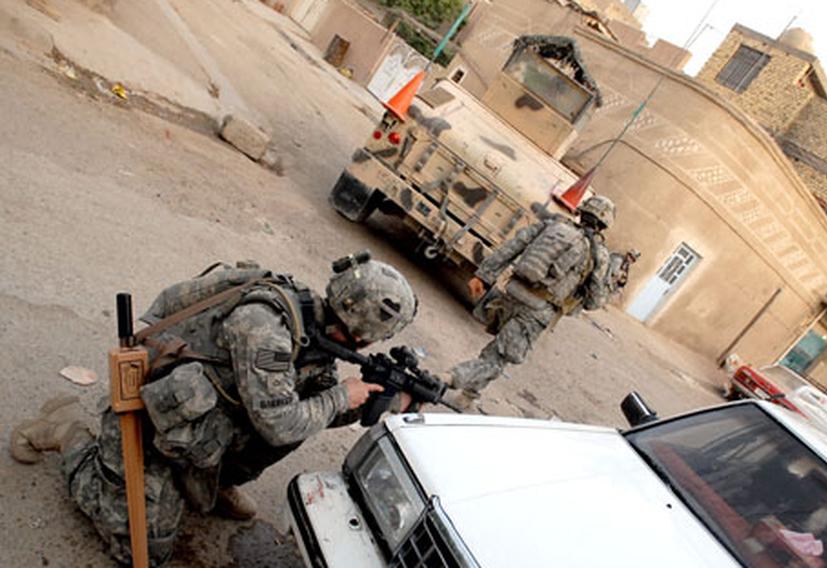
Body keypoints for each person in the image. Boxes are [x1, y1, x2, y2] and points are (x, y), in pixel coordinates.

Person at [9, 255, 418, 566]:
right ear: (362, 330)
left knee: (303, 413)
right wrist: (341, 398)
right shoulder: (266, 327)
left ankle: (212, 482)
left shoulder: (314, 331)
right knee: (141, 550)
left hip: (197, 425)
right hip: (149, 418)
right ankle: (67, 433)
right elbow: (280, 422)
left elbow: (317, 401)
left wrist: (381, 398)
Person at [444, 196, 615, 408]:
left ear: (581, 212)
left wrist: (484, 276)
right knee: (498, 359)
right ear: (605, 224)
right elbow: (593, 302)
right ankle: (448, 379)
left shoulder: (552, 225)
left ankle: (467, 398)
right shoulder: (599, 255)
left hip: (512, 293)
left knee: (496, 351)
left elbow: (512, 246)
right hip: (537, 312)